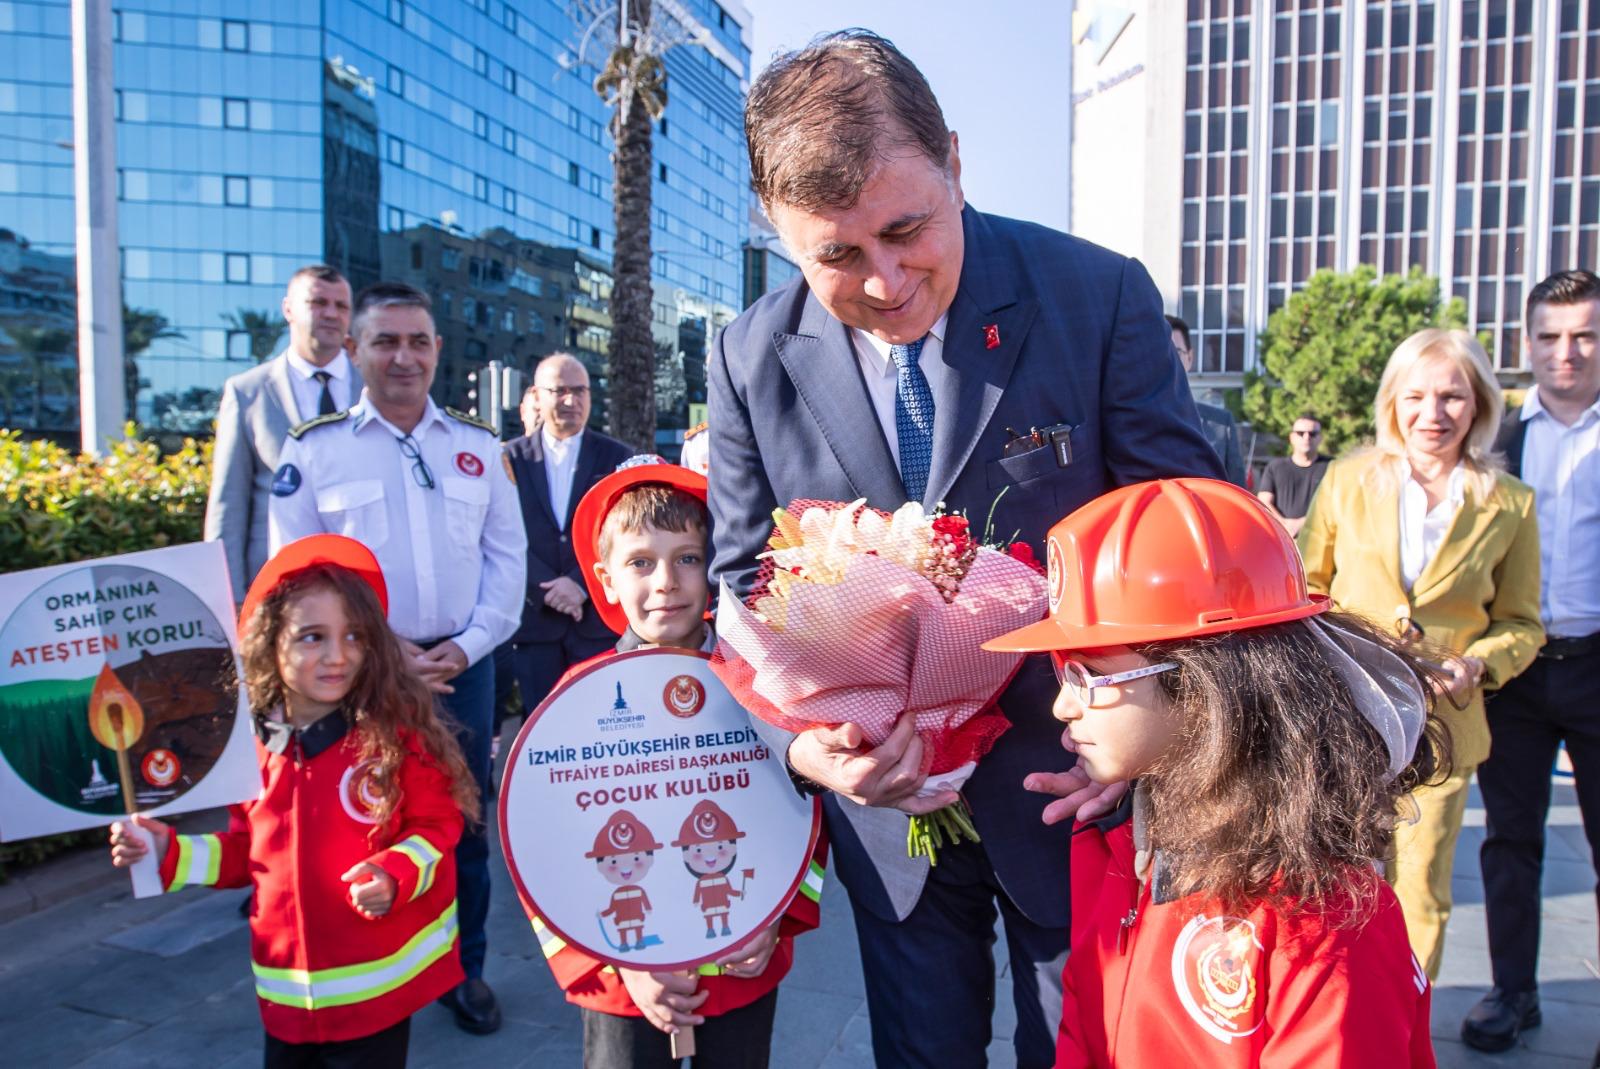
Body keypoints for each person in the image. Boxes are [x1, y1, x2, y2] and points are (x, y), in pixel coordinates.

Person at [706, 30, 1223, 1067]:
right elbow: (737, 595)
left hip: (1077, 789)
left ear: (952, 157)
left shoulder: (1096, 296)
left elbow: (1189, 543)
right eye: (839, 256)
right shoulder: (746, 353)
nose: (888, 281)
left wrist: (1152, 735)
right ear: (776, 227)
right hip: (886, 818)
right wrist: (802, 750)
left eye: (907, 230)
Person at [983, 478, 1443, 1066]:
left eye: (1088, 676)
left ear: (1208, 688)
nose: (1061, 706)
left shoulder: (1329, 924)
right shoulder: (1115, 843)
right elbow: (1082, 1030)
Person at [108, 534, 477, 1067]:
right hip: (284, 998)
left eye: (354, 635)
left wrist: (396, 871)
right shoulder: (248, 750)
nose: (338, 656)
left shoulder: (397, 736)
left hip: (374, 996)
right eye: (312, 637)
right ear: (267, 642)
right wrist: (167, 853)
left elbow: (439, 825)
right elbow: (245, 854)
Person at [268, 282, 526, 1034]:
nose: (403, 356)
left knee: (460, 828)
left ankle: (462, 969)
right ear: (354, 352)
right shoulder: (314, 449)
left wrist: (468, 644)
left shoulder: (479, 448)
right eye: (385, 341)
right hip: (358, 679)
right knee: (365, 830)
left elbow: (507, 561)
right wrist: (382, 653)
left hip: (461, 670)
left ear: (438, 351)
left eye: (418, 341)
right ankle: (379, 973)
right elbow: (297, 573)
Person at [517, 456, 827, 1067]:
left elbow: (802, 816)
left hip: (742, 966)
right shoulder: (575, 702)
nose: (667, 581)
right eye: (640, 562)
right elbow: (539, 850)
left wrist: (776, 916)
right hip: (627, 984)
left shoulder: (760, 688)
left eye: (688, 557)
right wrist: (615, 963)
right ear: (604, 580)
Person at [1299, 328, 1544, 981]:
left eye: (1452, 396)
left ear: (1480, 405)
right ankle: (1331, 1014)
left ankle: (1406, 1023)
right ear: (1392, 401)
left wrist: (1480, 661)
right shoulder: (1347, 481)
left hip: (1446, 723)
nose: (1433, 414)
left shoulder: (1511, 504)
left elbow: (1522, 622)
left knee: (1420, 890)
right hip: (1345, 721)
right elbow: (1305, 591)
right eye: (1416, 395)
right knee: (1331, 880)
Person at [1465, 270, 1600, 1053]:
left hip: (1596, 664)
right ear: (1527, 344)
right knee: (1510, 839)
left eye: (1584, 334)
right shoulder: (1498, 444)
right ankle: (1513, 992)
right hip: (1513, 668)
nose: (1567, 352)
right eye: (1550, 336)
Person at [205, 265, 358, 605]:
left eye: (341, 306)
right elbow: (228, 506)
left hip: (364, 585)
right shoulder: (248, 393)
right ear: (288, 308)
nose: (331, 314)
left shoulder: (376, 388)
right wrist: (229, 600)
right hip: (277, 589)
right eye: (318, 302)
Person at [502, 355, 633, 714]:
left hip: (597, 625)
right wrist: (547, 586)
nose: (571, 401)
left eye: (580, 391)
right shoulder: (507, 459)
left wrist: (578, 583)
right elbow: (501, 535)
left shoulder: (618, 458)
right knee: (540, 731)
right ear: (536, 395)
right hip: (535, 625)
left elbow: (626, 533)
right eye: (560, 391)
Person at [1167, 315, 1247, 486]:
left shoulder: (1221, 425)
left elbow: (1238, 493)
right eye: (1161, 351)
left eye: (1176, 351)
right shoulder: (1130, 422)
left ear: (1190, 357)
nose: (1168, 359)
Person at [1256, 413, 1330, 536]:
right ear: (1292, 437)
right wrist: (1284, 525)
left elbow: (1336, 504)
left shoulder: (1331, 467)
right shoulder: (1275, 467)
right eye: (1301, 433)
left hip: (1318, 539)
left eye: (1312, 434)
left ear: (1320, 438)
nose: (1306, 437)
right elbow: (1263, 502)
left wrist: (1303, 523)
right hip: (1282, 539)